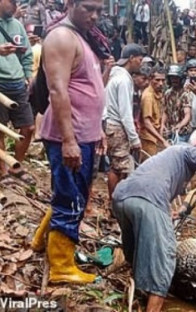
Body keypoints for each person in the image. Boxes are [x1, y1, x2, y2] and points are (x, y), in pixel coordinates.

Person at [38, 0, 108, 284]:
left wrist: (97, 129)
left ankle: (41, 242)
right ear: (70, 4)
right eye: (88, 8)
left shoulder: (82, 37)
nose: (94, 16)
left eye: (99, 10)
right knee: (70, 198)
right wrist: (69, 140)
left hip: (84, 134)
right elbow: (57, 89)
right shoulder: (62, 37)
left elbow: (87, 88)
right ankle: (61, 266)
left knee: (72, 193)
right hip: (69, 137)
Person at [112, 145, 196, 312]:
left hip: (121, 197)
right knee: (165, 260)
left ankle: (135, 295)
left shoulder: (169, 158)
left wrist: (177, 211)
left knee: (136, 251)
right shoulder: (189, 151)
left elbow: (167, 189)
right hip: (147, 200)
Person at [0, 0, 35, 183]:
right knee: (0, 130)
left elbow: (26, 54)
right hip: (0, 84)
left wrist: (28, 74)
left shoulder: (17, 25)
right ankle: (3, 171)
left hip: (17, 82)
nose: (15, 6)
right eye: (12, 1)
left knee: (28, 127)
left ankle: (17, 166)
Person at [104, 44, 144, 199]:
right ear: (132, 58)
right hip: (117, 126)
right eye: (139, 60)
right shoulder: (123, 80)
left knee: (117, 165)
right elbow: (125, 113)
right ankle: (115, 204)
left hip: (109, 123)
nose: (140, 63)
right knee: (119, 167)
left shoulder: (114, 74)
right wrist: (134, 139)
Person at [140, 67, 170, 159]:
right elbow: (147, 123)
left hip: (156, 136)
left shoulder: (158, 93)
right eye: (157, 80)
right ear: (150, 79)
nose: (161, 83)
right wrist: (163, 141)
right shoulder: (148, 96)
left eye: (163, 80)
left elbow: (161, 112)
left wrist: (162, 125)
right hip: (149, 139)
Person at [162, 64, 192, 143]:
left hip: (182, 132)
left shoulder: (185, 94)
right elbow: (165, 111)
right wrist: (162, 124)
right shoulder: (167, 93)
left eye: (176, 78)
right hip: (170, 131)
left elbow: (187, 114)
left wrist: (180, 125)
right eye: (172, 78)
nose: (174, 80)